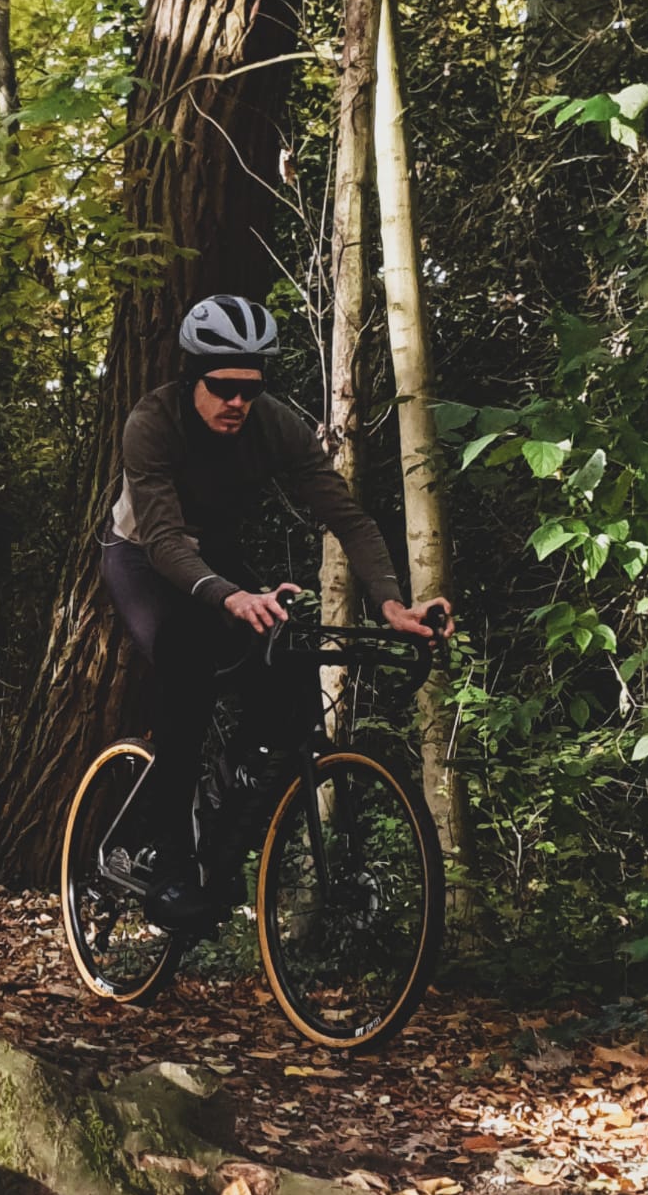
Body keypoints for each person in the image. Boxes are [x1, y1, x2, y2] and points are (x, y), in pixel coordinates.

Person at [100, 293, 451, 924]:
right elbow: (164, 541)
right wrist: (229, 596)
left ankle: (225, 817)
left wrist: (393, 605)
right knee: (186, 669)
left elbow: (348, 517)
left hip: (218, 556)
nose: (237, 402)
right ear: (193, 378)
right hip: (144, 558)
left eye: (251, 388)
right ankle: (171, 868)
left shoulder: (276, 426)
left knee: (286, 677)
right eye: (223, 387)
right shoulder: (151, 424)